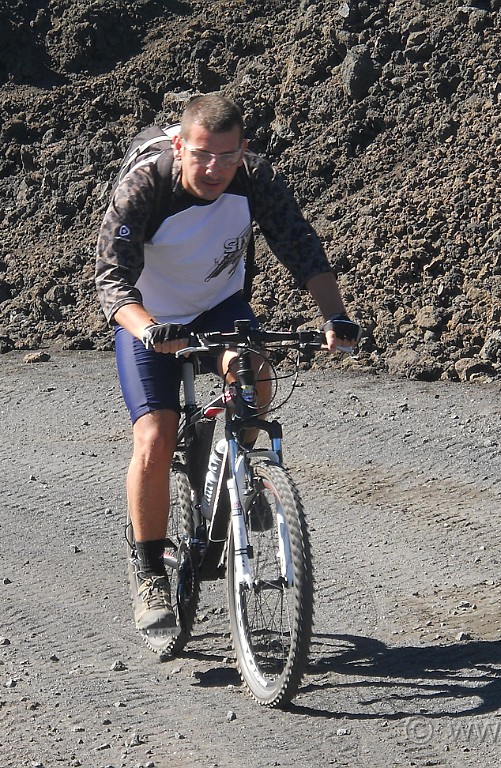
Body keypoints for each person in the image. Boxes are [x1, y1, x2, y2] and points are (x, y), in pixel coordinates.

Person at [94, 93, 361, 636]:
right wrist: (148, 329)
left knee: (254, 370)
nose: (215, 169)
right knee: (155, 433)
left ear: (243, 150)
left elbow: (300, 246)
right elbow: (111, 279)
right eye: (202, 155)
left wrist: (336, 316)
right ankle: (149, 572)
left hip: (220, 306)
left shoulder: (253, 176)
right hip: (151, 316)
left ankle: (233, 468)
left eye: (228, 156)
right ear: (179, 146)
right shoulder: (144, 186)